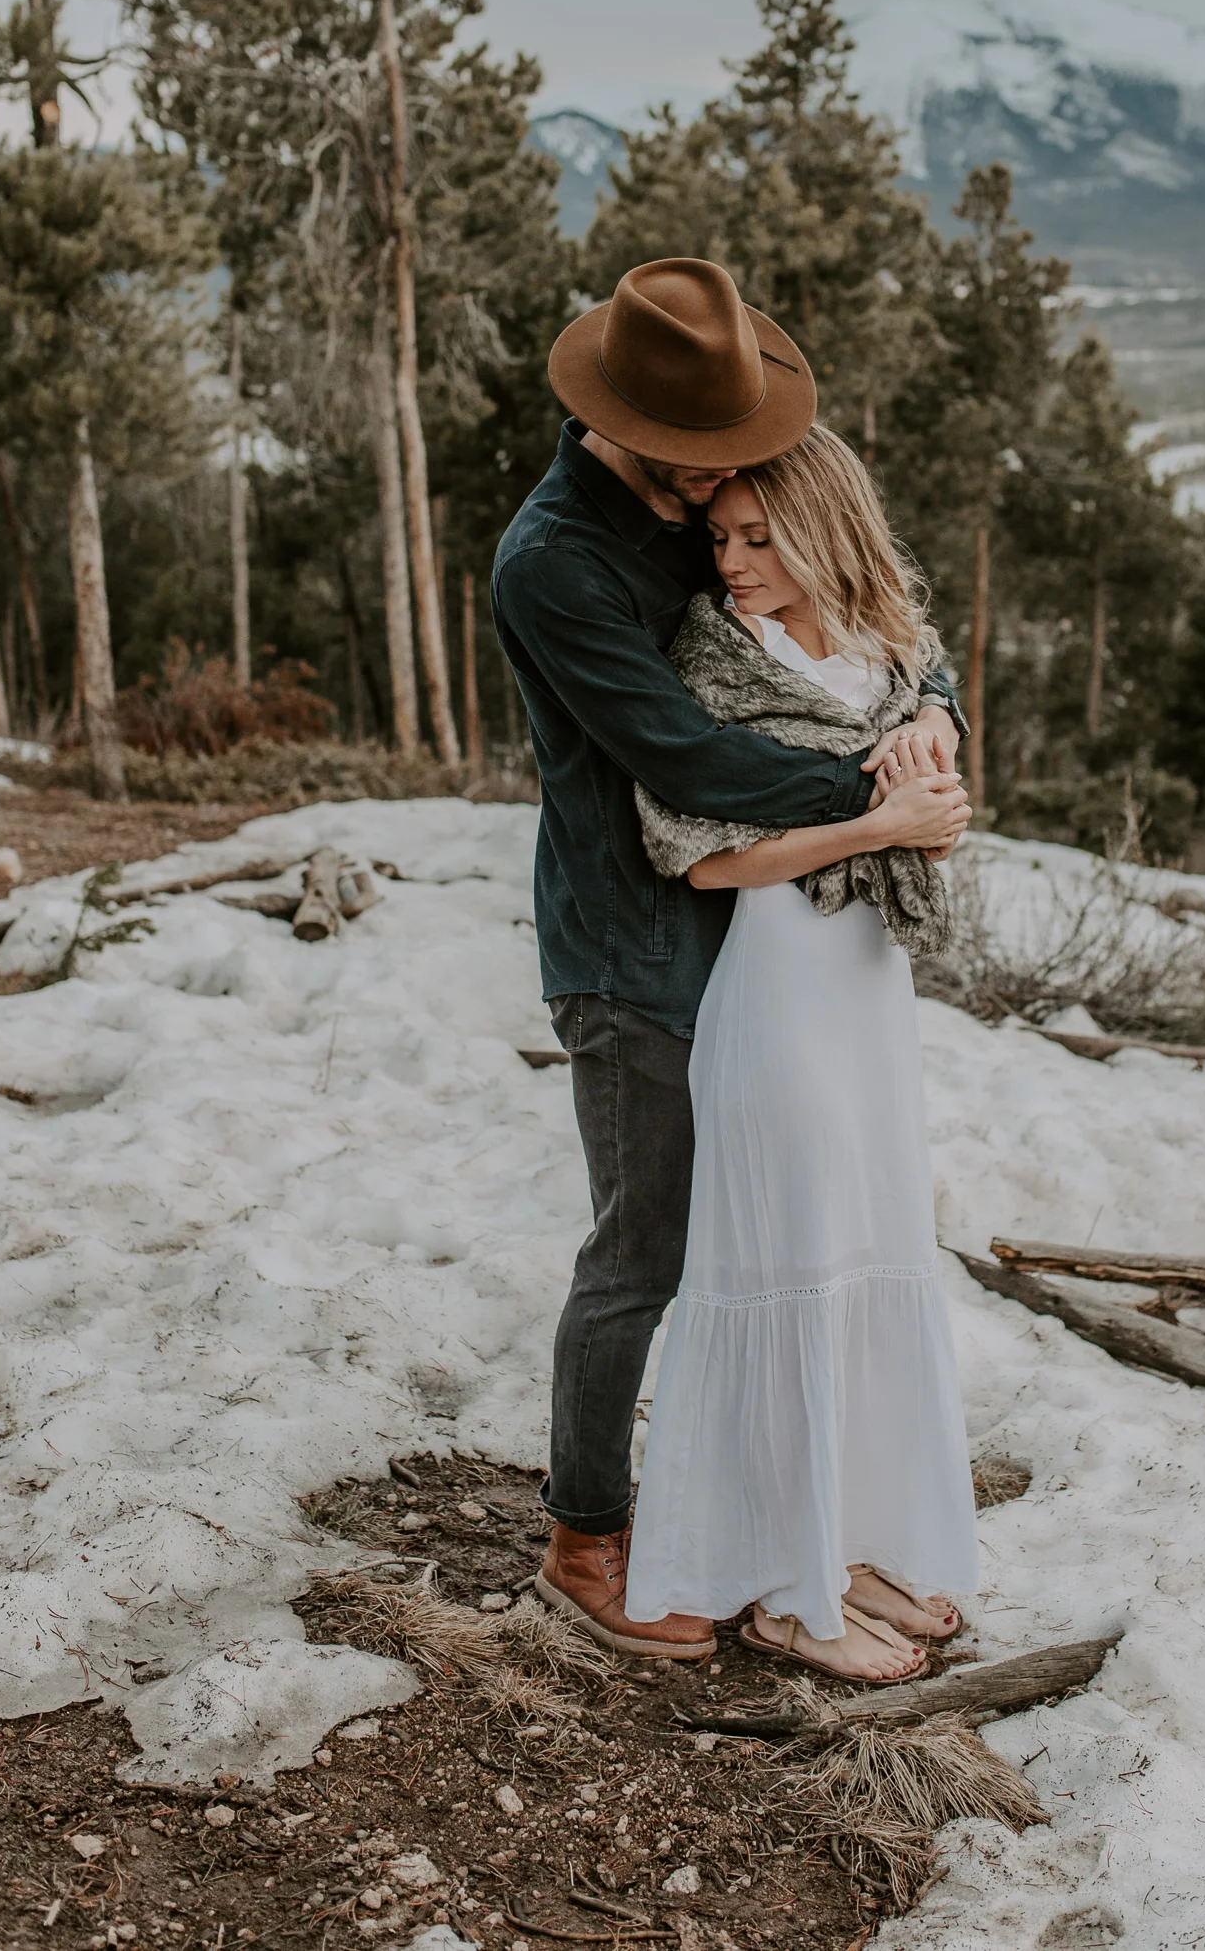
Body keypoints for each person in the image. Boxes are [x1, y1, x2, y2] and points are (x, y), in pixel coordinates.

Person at [491, 258, 968, 1662]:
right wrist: (885, 805)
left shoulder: (713, 493)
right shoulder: (553, 563)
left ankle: (789, 1526)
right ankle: (587, 1537)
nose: (723, 502)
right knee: (645, 1248)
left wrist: (925, 710)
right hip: (635, 943)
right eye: (702, 472)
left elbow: (865, 603)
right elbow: (685, 758)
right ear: (629, 426)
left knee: (777, 1234)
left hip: (774, 944)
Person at [621, 427, 979, 1683]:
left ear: (826, 529)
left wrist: (930, 758)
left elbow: (926, 708)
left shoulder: (894, 652)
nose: (731, 563)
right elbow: (703, 853)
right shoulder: (711, 663)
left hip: (870, 991)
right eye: (720, 539)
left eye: (759, 539)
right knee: (790, 1267)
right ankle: (783, 1589)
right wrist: (881, 820)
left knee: (866, 1256)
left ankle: (852, 1538)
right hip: (777, 994)